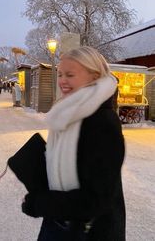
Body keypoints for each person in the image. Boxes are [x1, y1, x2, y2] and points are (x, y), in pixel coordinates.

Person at [21, 46, 126, 241]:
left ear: (94, 76)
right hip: (59, 224)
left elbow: (97, 200)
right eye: (60, 74)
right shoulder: (68, 113)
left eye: (70, 74)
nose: (62, 81)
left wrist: (40, 203)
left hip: (89, 232)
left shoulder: (103, 122)